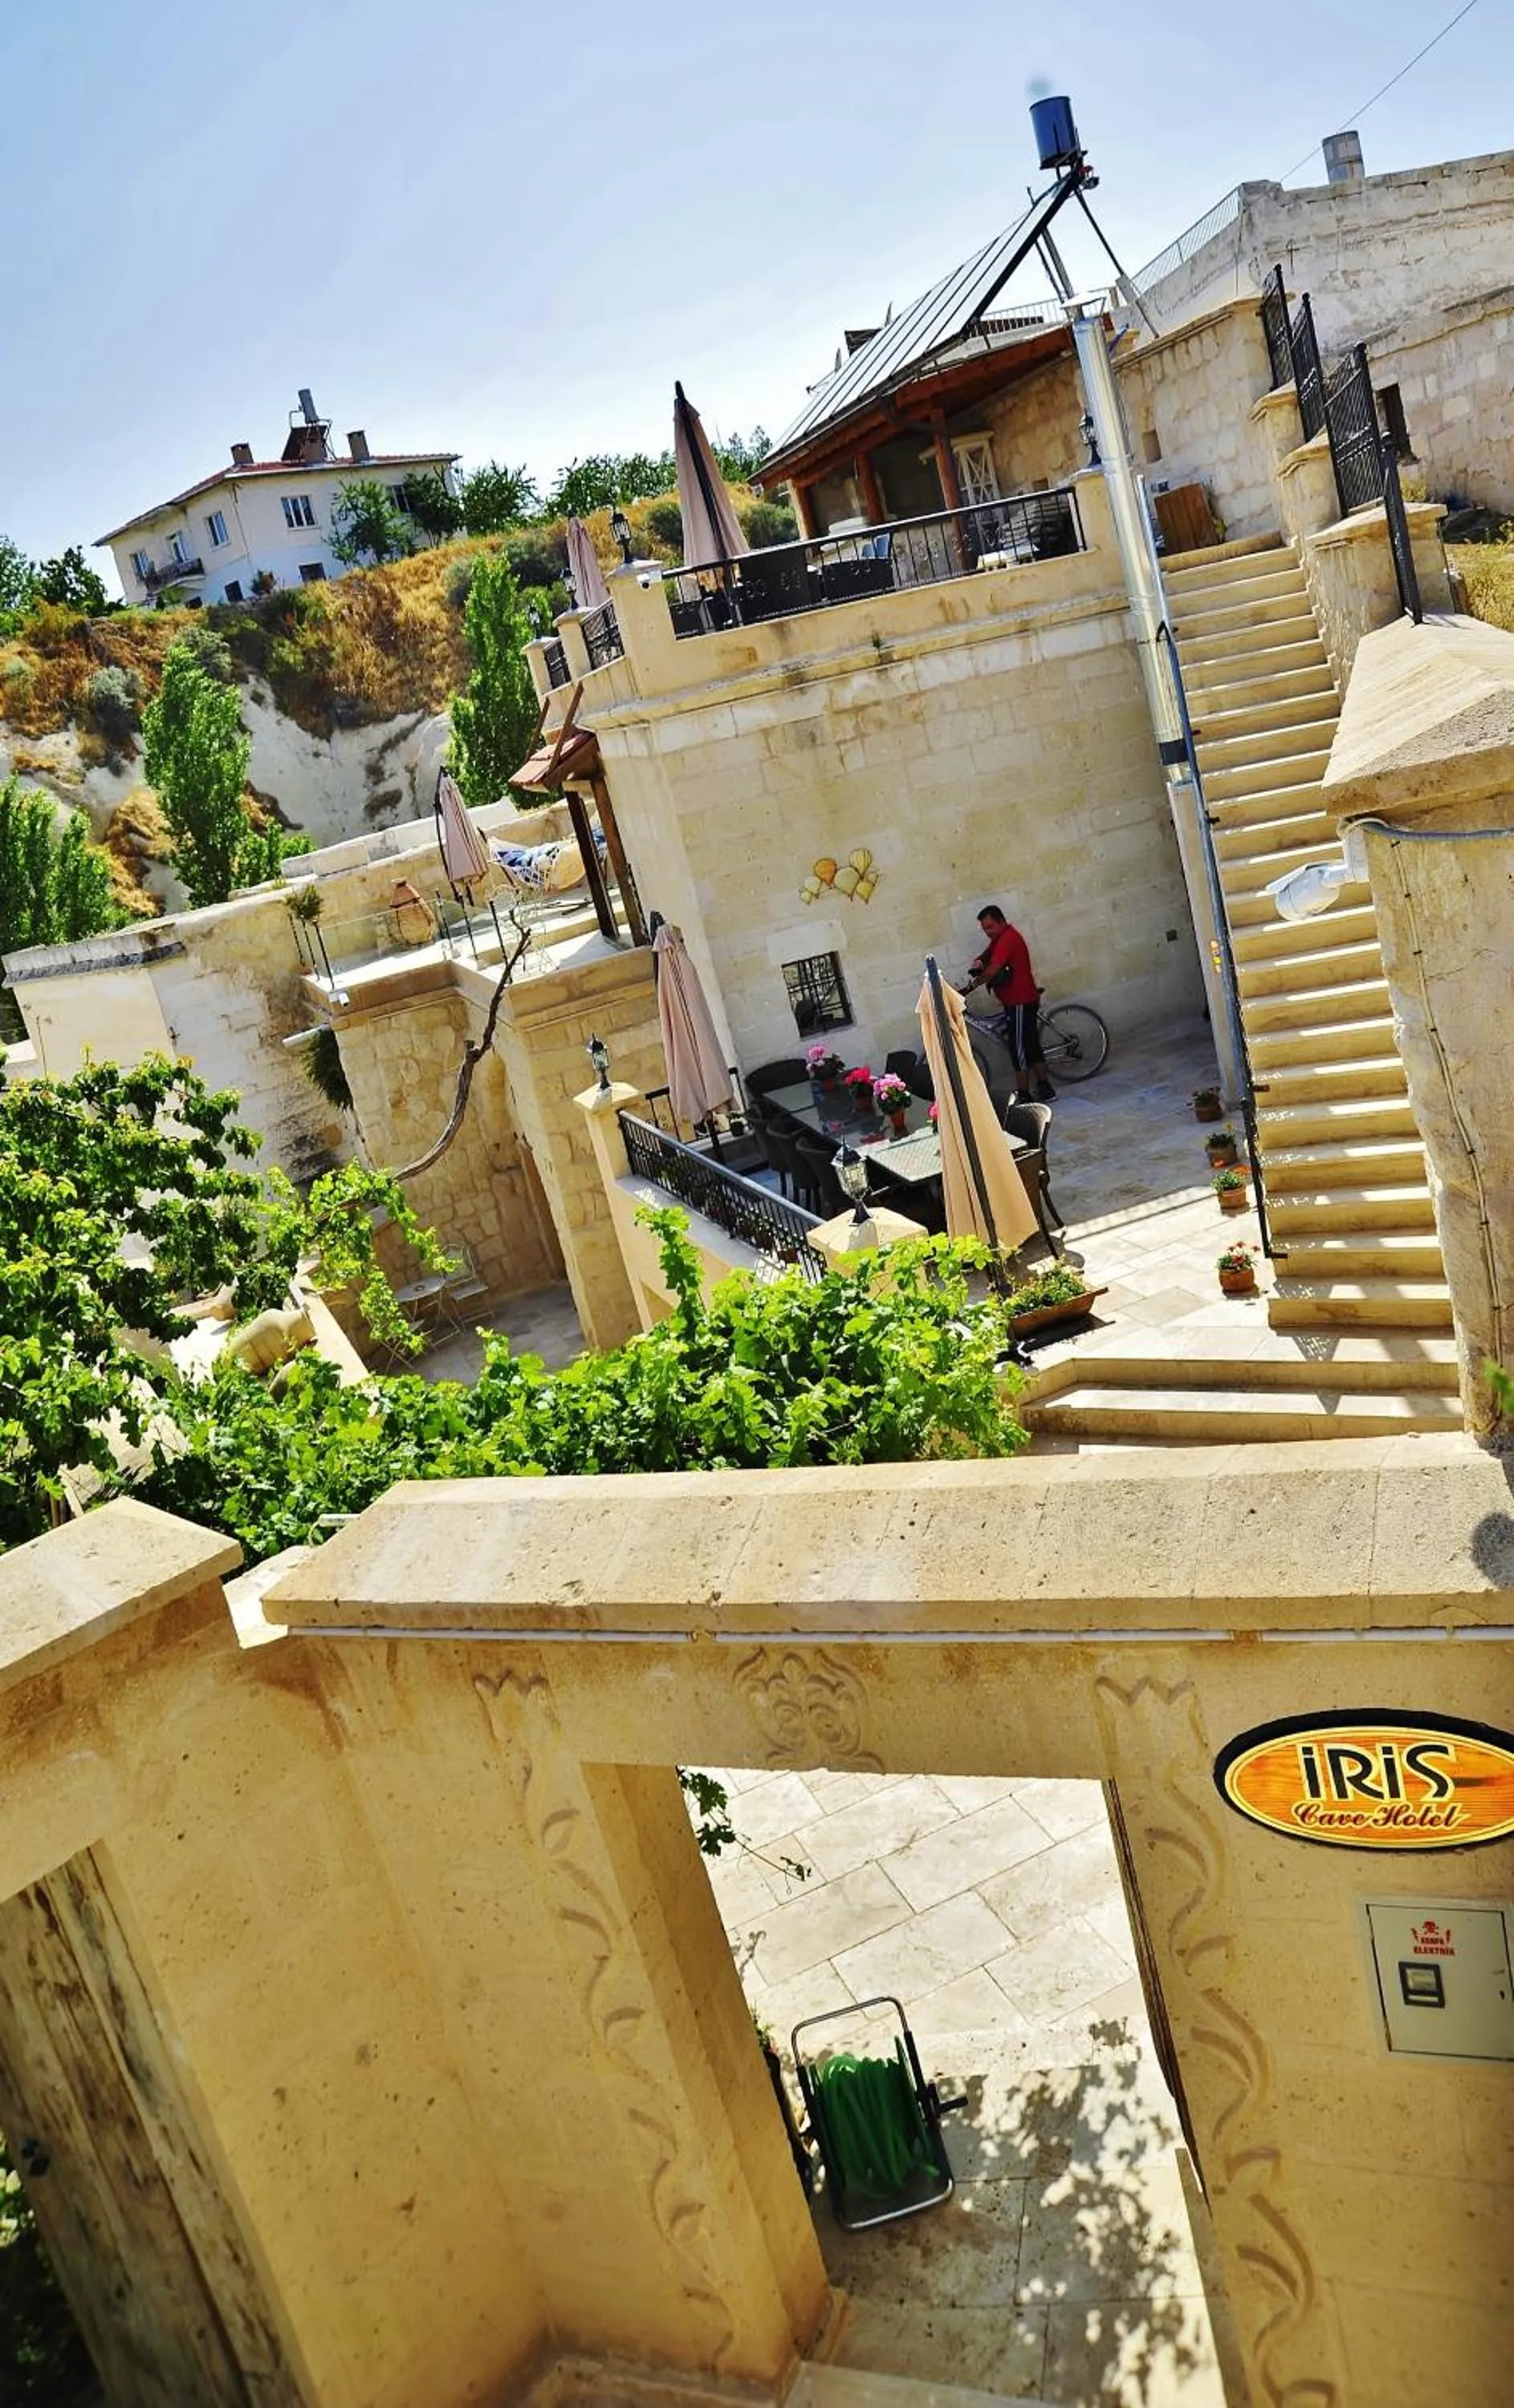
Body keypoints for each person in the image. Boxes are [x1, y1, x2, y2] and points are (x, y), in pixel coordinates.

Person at [960, 904, 1054, 1104]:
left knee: (1018, 1047)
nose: (988, 932)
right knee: (1031, 1044)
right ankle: (1045, 1087)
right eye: (985, 928)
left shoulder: (1008, 939)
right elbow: (988, 955)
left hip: (1019, 1000)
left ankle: (1024, 1092)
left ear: (1002, 922)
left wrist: (971, 986)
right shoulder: (1000, 938)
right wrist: (979, 961)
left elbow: (994, 969)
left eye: (990, 927)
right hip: (1018, 999)